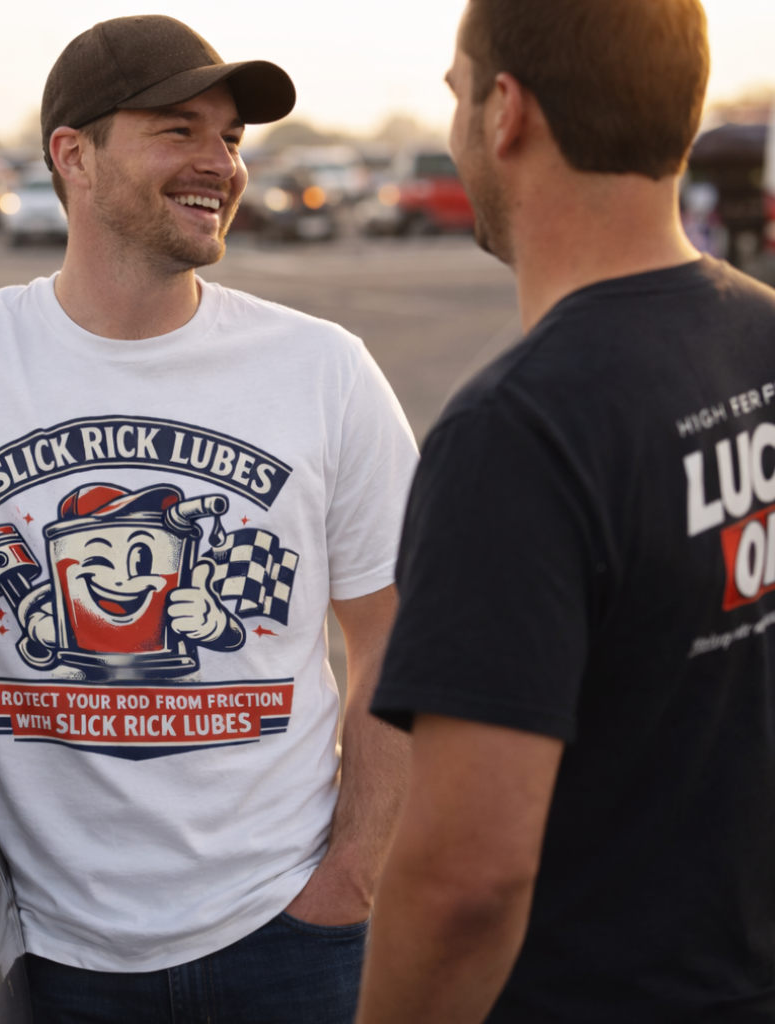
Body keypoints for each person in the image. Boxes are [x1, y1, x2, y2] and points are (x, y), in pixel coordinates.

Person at [0, 16, 418, 1023]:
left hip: (294, 941)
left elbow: (400, 641)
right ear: (74, 156)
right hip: (56, 965)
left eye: (231, 137)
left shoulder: (323, 372)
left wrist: (351, 882)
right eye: (178, 131)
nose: (220, 164)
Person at [359, 1, 775, 1022]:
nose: (457, 126)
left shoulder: (516, 435)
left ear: (506, 112)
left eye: (457, 95)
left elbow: (465, 883)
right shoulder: (761, 337)